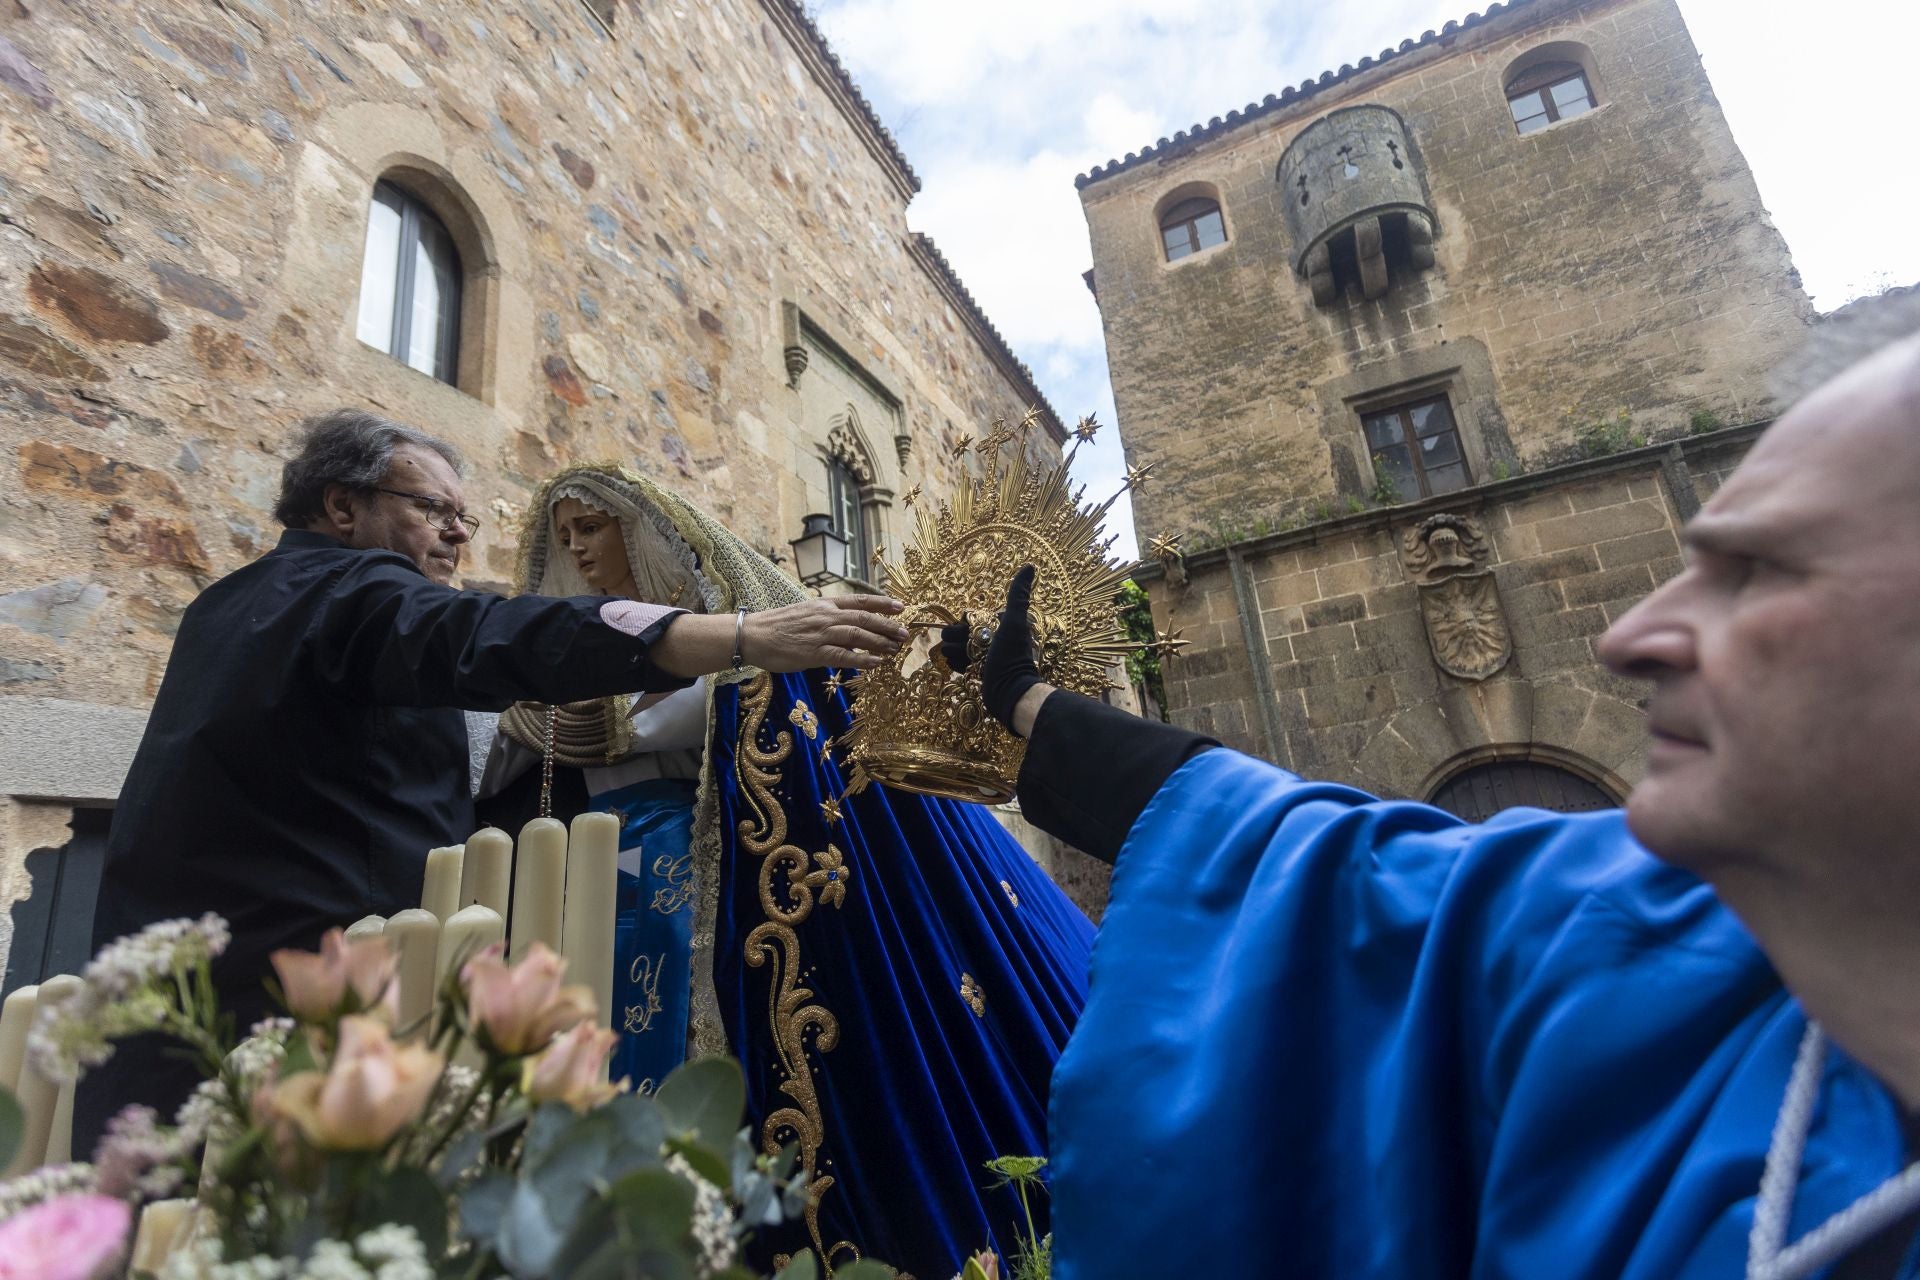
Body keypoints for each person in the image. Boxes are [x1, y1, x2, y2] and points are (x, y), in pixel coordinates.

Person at [946, 330, 1920, 1280]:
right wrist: (1034, 706)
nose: (1633, 634)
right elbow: (1342, 880)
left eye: (1758, 570)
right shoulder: (1643, 925)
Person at [77, 410, 907, 1155]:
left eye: (464, 517)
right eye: (433, 510)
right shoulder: (358, 592)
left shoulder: (225, 604)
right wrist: (734, 633)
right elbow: (488, 636)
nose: (456, 535)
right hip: (319, 996)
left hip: (182, 1010)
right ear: (342, 507)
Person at [476, 462, 1095, 1277]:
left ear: (643, 531)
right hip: (605, 888)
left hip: (699, 885)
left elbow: (758, 704)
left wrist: (734, 666)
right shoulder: (571, 687)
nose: (579, 549)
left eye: (591, 528)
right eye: (565, 538)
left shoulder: (734, 645)